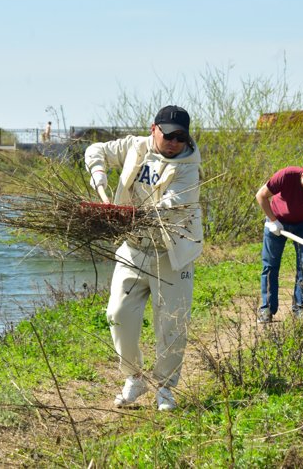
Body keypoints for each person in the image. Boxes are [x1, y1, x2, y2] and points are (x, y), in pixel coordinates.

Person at [84, 105, 202, 411]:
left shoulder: (189, 167)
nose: (175, 142)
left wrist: (125, 214)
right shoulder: (135, 146)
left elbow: (169, 207)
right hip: (134, 249)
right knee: (118, 314)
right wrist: (99, 177)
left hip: (172, 253)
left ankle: (165, 388)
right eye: (169, 134)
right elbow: (96, 150)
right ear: (154, 129)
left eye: (181, 136)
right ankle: (133, 378)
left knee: (172, 325)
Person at [255, 158, 303, 323]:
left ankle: (301, 308)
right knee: (270, 265)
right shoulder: (287, 175)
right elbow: (261, 196)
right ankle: (267, 309)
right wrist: (273, 221)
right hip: (277, 221)